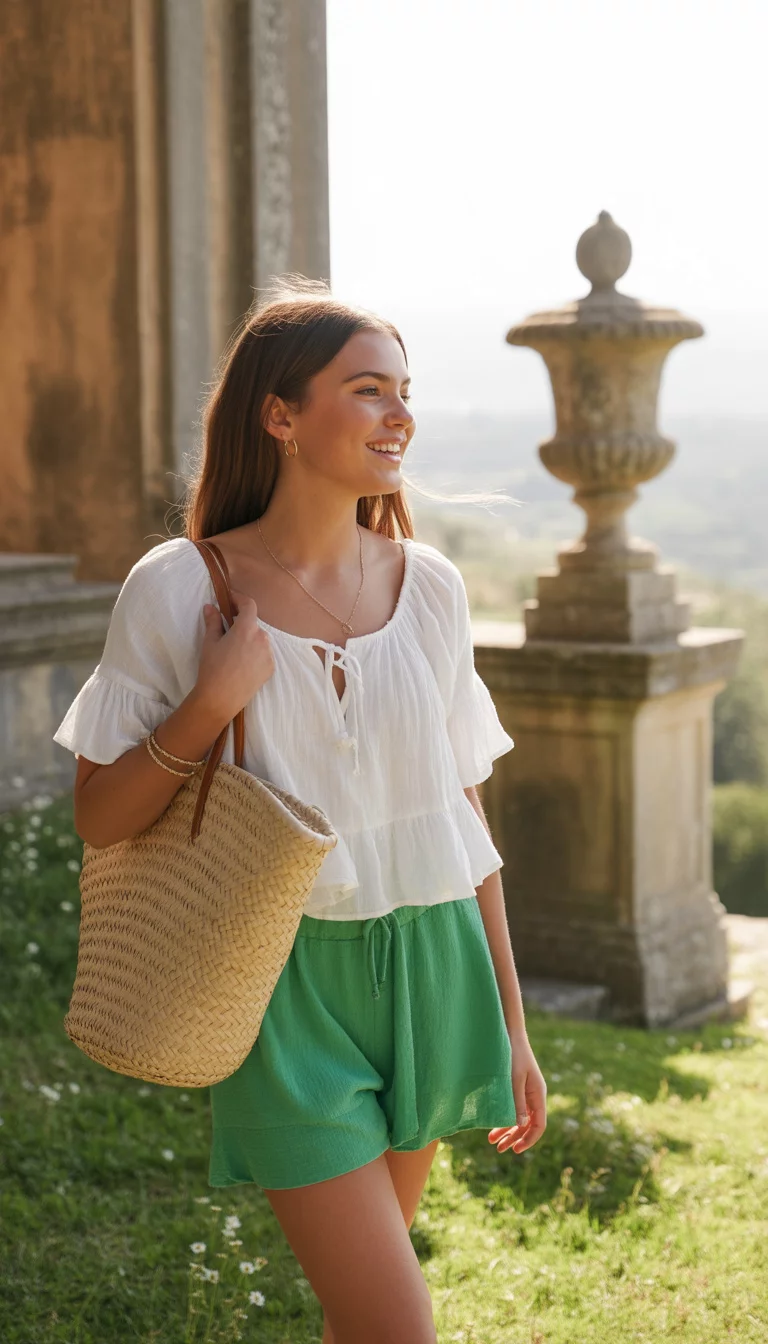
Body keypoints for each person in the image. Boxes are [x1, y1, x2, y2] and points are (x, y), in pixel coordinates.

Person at [53, 276, 547, 1344]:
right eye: (368, 390)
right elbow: (99, 818)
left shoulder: (432, 588)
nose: (400, 415)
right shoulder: (181, 588)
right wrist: (209, 704)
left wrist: (510, 1016)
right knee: (395, 1324)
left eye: (404, 391)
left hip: (432, 959)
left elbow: (464, 813)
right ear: (280, 415)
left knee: (358, 1318)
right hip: (279, 985)